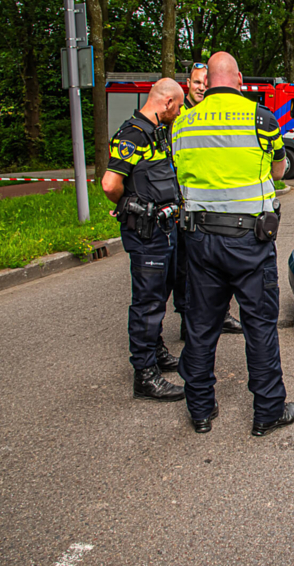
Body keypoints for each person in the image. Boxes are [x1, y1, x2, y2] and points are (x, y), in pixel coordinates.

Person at [173, 52, 294, 436]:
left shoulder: (183, 122)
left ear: (207, 82)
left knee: (200, 325)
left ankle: (200, 411)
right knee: (259, 325)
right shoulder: (260, 118)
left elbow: (180, 172)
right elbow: (279, 170)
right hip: (249, 239)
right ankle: (267, 412)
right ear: (240, 79)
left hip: (199, 240)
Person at [101, 78, 186, 402]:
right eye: (177, 108)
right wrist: (134, 205)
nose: (178, 113)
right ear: (166, 103)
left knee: (159, 297)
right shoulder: (132, 134)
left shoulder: (156, 132)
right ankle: (145, 375)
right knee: (147, 303)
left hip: (164, 230)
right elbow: (111, 184)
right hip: (146, 232)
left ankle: (157, 351)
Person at [173, 63, 244, 337]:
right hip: (189, 208)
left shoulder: (213, 113)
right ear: (187, 84)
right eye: (196, 82)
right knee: (186, 271)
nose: (201, 87)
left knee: (218, 269)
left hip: (217, 208)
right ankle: (187, 321)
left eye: (205, 82)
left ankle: (221, 314)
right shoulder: (182, 117)